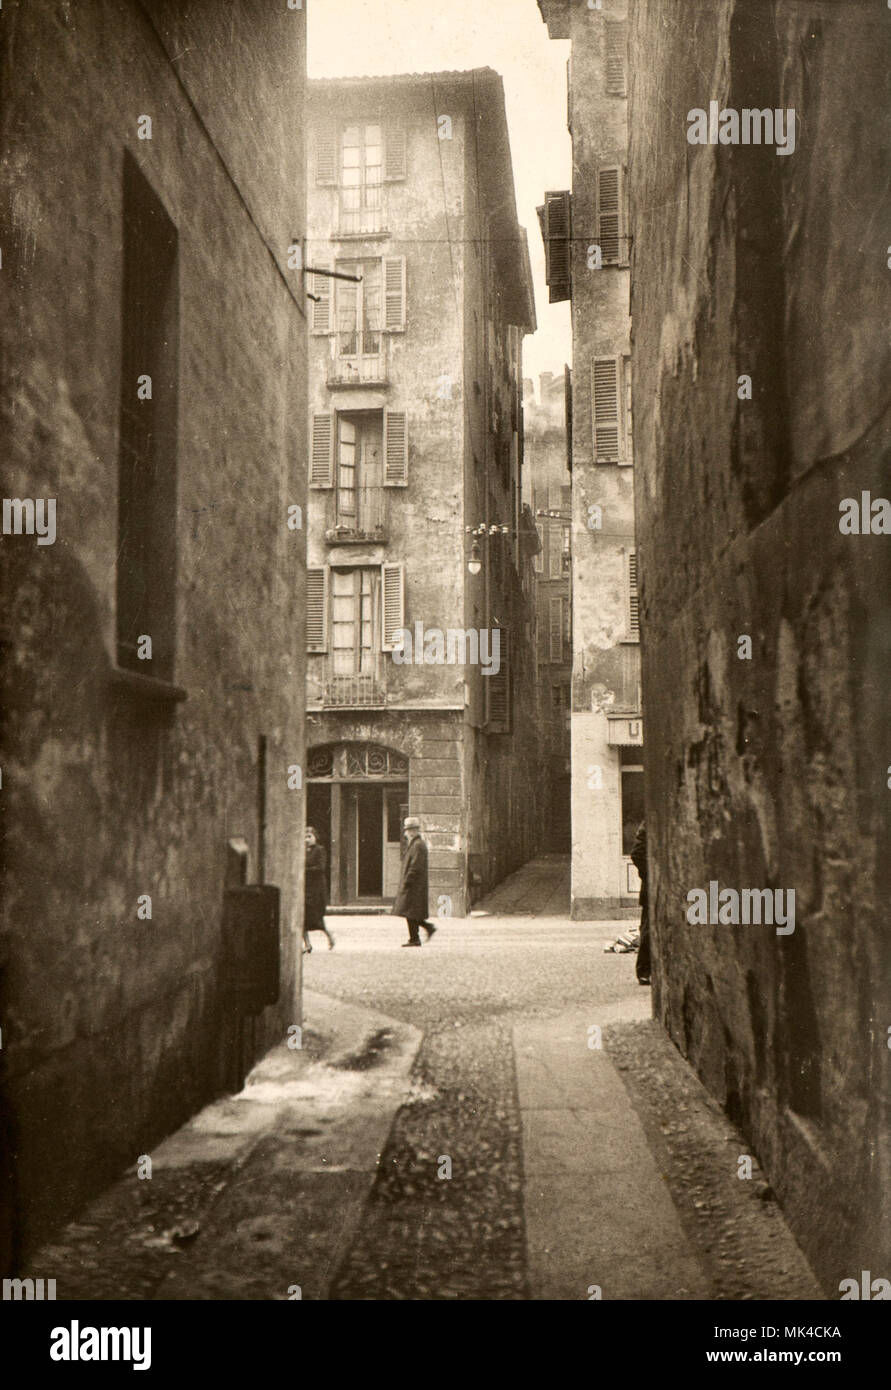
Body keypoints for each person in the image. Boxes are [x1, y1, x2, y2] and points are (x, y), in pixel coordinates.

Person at [392, 816, 436, 947]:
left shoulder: (417, 845)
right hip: (414, 884)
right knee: (410, 911)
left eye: (408, 830)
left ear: (413, 831)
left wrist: (407, 881)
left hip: (414, 885)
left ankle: (418, 936)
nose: (406, 833)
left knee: (409, 911)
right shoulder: (415, 844)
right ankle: (421, 933)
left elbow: (415, 866)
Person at [303, 826, 335, 953]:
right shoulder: (303, 851)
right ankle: (307, 944)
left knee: (316, 917)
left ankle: (329, 936)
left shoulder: (320, 850)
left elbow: (321, 867)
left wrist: (304, 870)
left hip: (316, 888)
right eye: (305, 837)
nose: (307, 839)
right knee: (302, 918)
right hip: (305, 887)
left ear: (315, 837)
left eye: (309, 836)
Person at [630, 820, 650, 985]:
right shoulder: (649, 824)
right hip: (653, 889)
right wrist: (652, 876)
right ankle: (644, 971)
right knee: (649, 930)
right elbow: (637, 854)